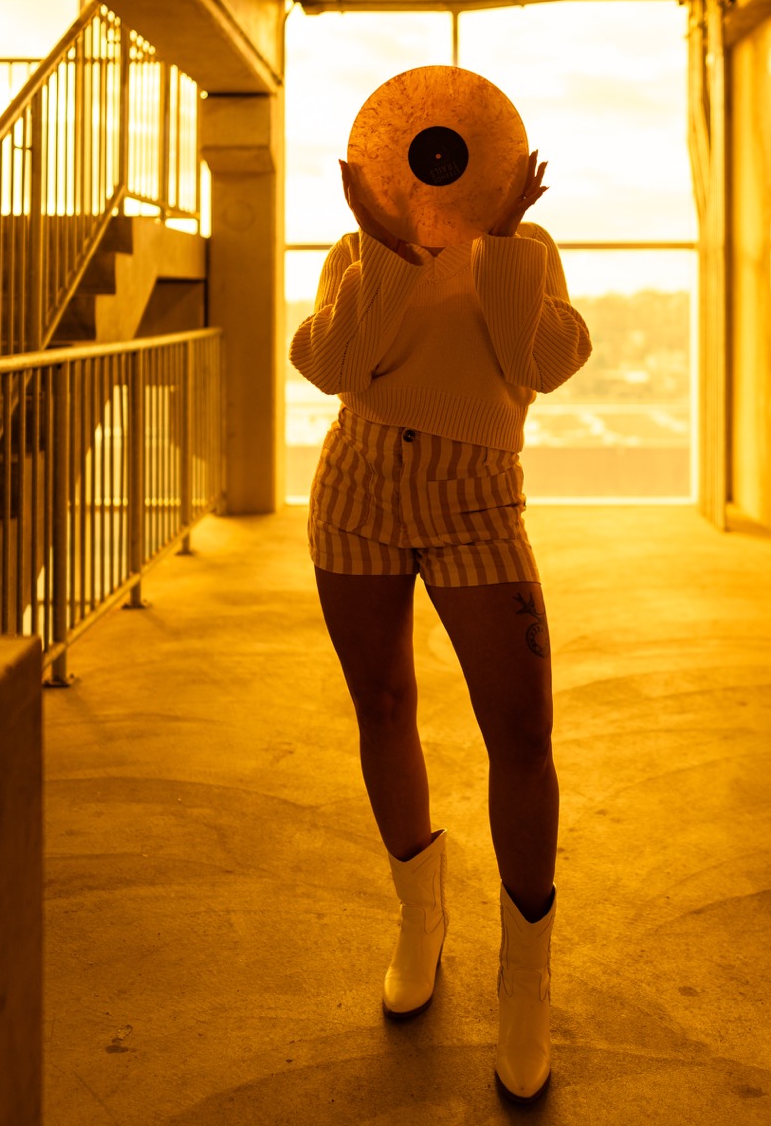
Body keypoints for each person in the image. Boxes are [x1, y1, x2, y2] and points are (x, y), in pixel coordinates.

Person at [290, 136, 591, 1103]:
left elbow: (537, 362)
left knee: (522, 736)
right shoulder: (356, 249)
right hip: (358, 489)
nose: (437, 183)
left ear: (492, 170)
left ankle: (525, 981)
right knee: (382, 705)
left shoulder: (528, 247)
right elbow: (335, 365)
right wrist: (385, 246)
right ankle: (420, 922)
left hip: (477, 502)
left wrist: (498, 238)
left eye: (457, 164)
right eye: (418, 166)